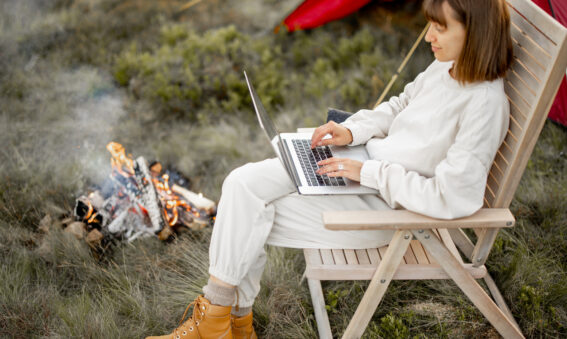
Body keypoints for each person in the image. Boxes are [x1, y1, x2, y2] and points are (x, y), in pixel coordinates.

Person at [146, 0, 513, 338]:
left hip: (383, 208)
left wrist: (366, 173)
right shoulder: (447, 65)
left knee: (245, 212)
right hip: (360, 168)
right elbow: (400, 104)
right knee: (240, 183)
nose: (429, 36)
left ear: (475, 32)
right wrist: (352, 129)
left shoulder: (485, 105)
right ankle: (230, 322)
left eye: (440, 28)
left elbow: (454, 196)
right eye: (430, 24)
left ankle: (221, 322)